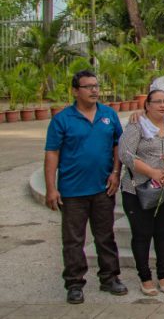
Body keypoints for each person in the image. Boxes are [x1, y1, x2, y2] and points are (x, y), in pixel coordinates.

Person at [44, 70, 127, 304]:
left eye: (96, 86)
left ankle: (109, 278)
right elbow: (52, 153)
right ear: (75, 91)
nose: (94, 90)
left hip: (103, 188)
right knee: (73, 240)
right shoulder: (62, 119)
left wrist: (115, 173)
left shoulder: (108, 115)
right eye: (88, 86)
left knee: (105, 236)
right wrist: (51, 188)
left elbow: (117, 146)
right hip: (72, 191)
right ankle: (74, 283)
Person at [118, 90, 164, 295]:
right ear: (147, 105)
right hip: (139, 189)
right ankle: (145, 276)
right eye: (157, 101)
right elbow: (125, 154)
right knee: (142, 234)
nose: (162, 105)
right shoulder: (136, 125)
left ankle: (163, 274)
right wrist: (152, 172)